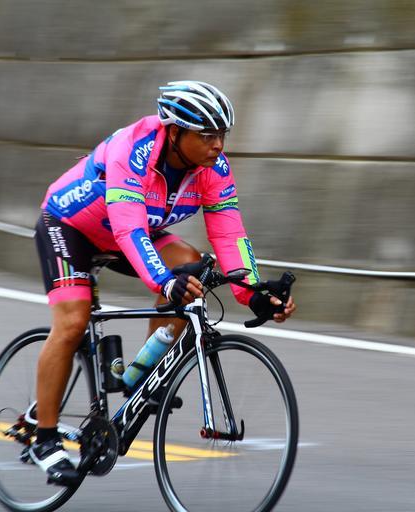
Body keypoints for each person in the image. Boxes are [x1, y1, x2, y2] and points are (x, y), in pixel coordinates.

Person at [31, 80, 297, 485]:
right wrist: (164, 282)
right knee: (72, 323)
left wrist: (254, 294)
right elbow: (129, 229)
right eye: (206, 135)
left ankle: (142, 376)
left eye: (222, 134)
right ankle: (45, 439)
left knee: (190, 266)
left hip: (126, 234)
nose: (218, 145)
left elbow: (229, 234)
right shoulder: (132, 150)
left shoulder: (213, 169)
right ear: (174, 132)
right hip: (71, 228)